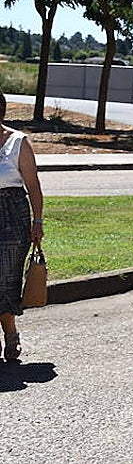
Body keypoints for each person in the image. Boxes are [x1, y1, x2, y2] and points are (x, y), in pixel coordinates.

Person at [0, 91, 44, 362]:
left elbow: (34, 187)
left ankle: (10, 332)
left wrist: (37, 221)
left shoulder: (17, 142)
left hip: (11, 215)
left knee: (6, 281)